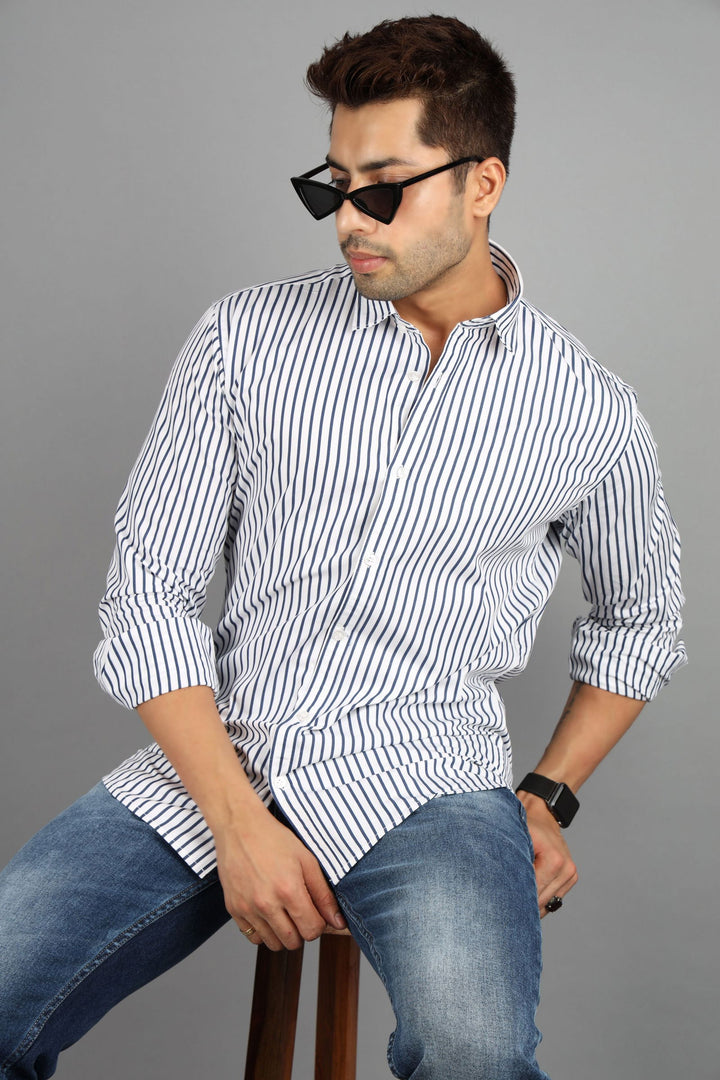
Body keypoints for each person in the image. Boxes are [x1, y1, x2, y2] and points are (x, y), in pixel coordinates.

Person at [0, 15, 686, 1080]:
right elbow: (148, 594)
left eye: (385, 189)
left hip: (430, 781)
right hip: (216, 759)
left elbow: (642, 620)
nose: (349, 222)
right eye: (334, 186)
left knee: (474, 1055)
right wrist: (237, 822)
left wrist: (547, 794)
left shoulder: (586, 408)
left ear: (484, 183)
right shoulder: (245, 338)